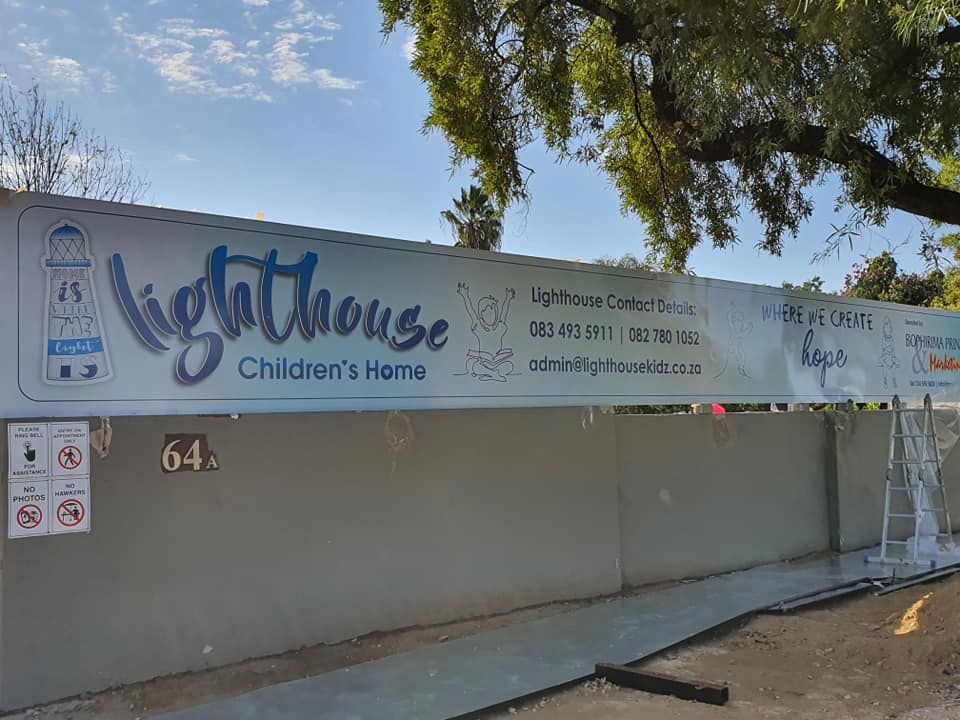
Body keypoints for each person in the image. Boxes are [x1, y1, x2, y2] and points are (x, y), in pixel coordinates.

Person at [457, 282, 515, 381]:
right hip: (483, 361)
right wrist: (465, 295)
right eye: (486, 312)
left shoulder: (499, 328)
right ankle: (493, 375)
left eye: (493, 312)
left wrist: (508, 298)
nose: (490, 315)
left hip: (498, 362)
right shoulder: (478, 327)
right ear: (481, 315)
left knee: (509, 366)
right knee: (471, 364)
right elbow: (471, 312)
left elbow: (504, 313)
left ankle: (489, 375)